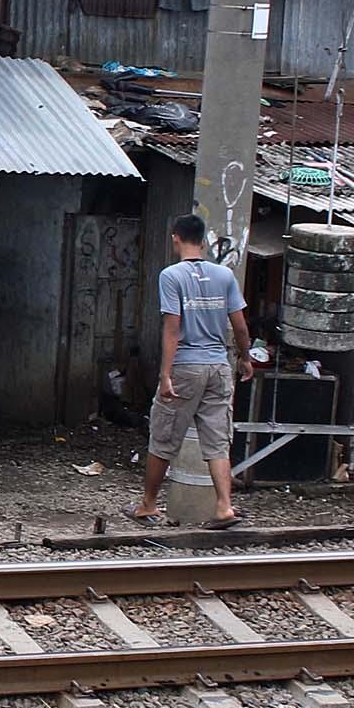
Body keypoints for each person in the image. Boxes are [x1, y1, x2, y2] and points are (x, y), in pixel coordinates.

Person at [132, 214, 253, 528]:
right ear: (203, 241)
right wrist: (245, 358)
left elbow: (172, 327)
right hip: (218, 367)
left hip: (186, 366)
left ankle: (147, 504)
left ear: (176, 238)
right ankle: (225, 507)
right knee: (216, 441)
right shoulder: (225, 275)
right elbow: (239, 325)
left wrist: (165, 375)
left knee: (163, 437)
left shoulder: (171, 276)